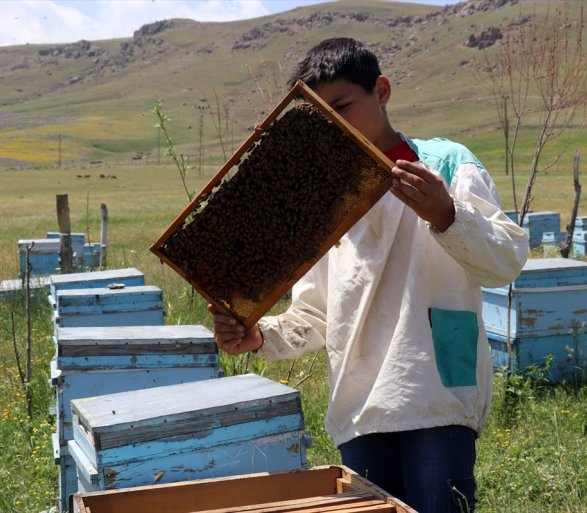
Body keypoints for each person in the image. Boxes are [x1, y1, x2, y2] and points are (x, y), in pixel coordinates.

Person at [209, 37, 529, 513]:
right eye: (323, 115)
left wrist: (447, 215)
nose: (336, 124)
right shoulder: (323, 201)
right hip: (359, 405)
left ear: (381, 90)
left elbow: (506, 259)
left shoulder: (446, 165)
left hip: (438, 392)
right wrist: (259, 336)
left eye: (344, 105)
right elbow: (317, 312)